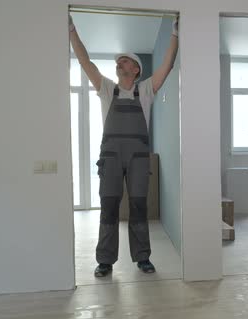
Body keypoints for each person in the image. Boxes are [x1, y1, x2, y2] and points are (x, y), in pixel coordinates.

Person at [69, 15, 179, 277]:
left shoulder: (146, 91)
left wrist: (175, 34)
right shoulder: (107, 89)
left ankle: (143, 258)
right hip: (110, 158)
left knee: (139, 207)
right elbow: (85, 61)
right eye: (118, 61)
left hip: (139, 159)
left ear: (136, 69)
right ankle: (105, 261)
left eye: (125, 60)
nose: (119, 62)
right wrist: (71, 29)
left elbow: (167, 64)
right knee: (108, 207)